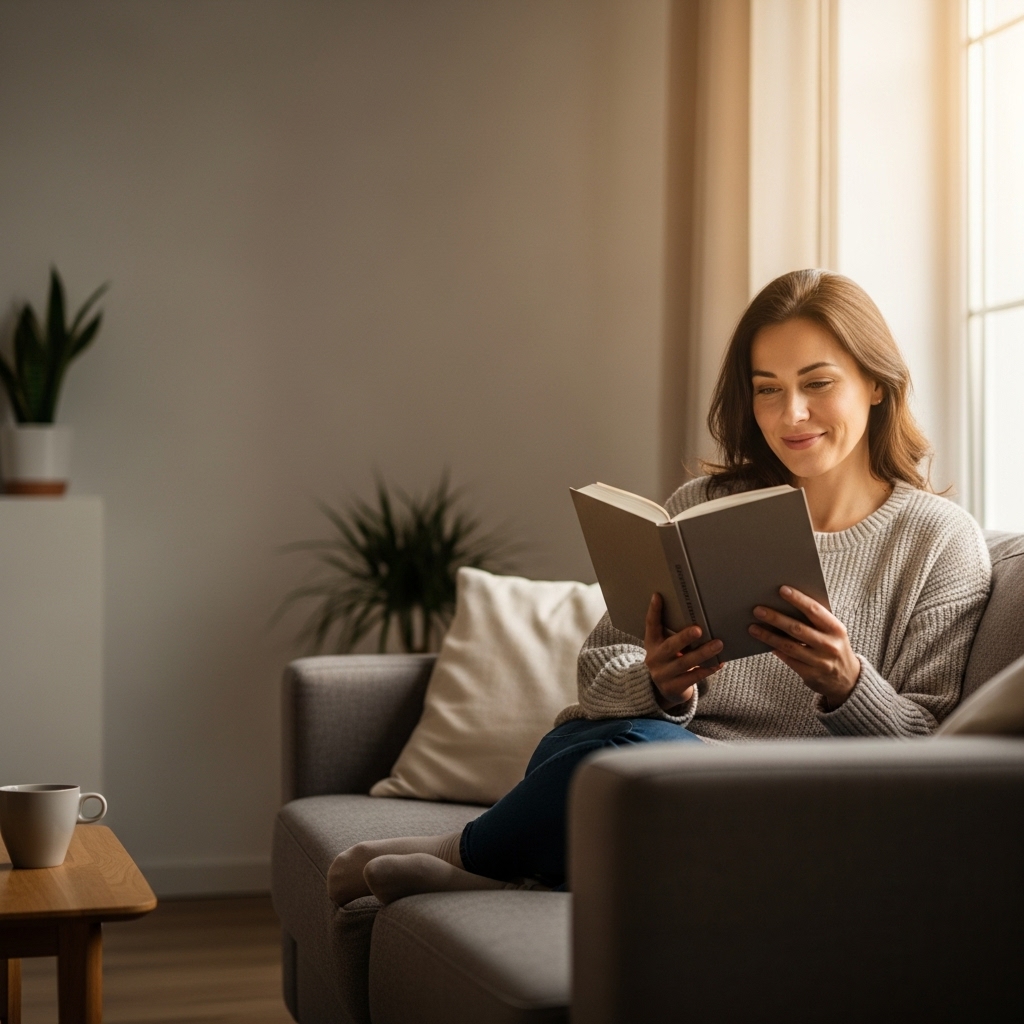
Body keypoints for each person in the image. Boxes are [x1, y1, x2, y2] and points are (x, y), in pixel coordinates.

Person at [326, 269, 992, 907]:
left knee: (631, 760)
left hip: (784, 794)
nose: (792, 413)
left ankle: (458, 855)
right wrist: (659, 685)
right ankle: (515, 875)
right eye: (766, 388)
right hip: (651, 758)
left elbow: (933, 749)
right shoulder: (704, 503)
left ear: (877, 384)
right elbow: (595, 672)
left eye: (818, 383)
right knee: (586, 744)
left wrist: (847, 683)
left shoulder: (939, 539)